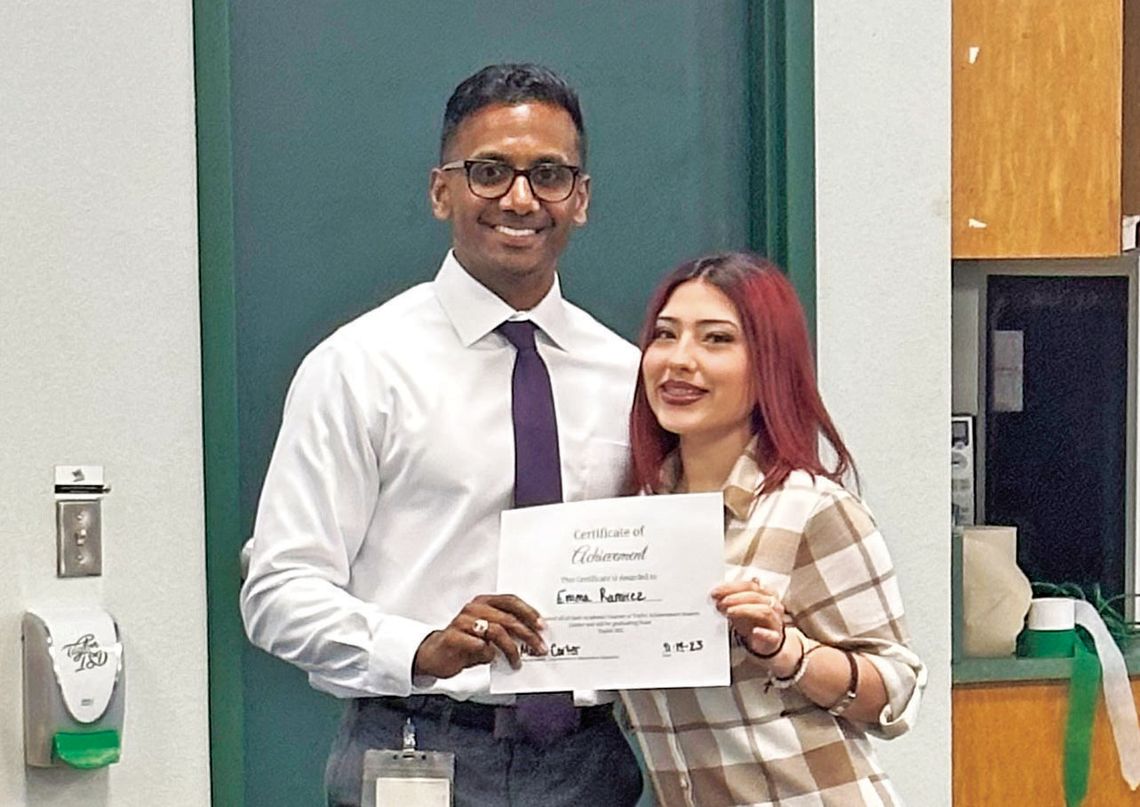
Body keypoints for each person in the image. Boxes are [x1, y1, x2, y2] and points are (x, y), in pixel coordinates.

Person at [240, 63, 643, 807]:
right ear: (441, 190)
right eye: (489, 171)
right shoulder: (359, 367)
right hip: (416, 748)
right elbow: (278, 592)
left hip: (590, 763)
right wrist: (420, 646)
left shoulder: (630, 376)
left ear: (580, 199)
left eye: (548, 174)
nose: (520, 198)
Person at [622, 252, 926, 806]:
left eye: (716, 340)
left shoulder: (811, 508)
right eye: (665, 336)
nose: (679, 360)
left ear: (769, 364)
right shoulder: (634, 522)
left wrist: (789, 651)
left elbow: (899, 691)